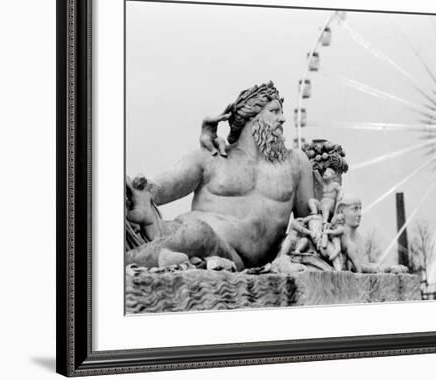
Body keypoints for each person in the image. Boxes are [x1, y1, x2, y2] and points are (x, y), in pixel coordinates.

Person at [126, 82, 314, 270]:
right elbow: (158, 189)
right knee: (196, 232)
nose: (282, 119)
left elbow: (309, 223)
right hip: (190, 240)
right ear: (250, 116)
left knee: (198, 233)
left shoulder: (295, 163)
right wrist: (141, 194)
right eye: (274, 111)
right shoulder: (211, 156)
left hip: (239, 260)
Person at [330, 194, 364, 273]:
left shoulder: (359, 240)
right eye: (355, 209)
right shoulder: (337, 234)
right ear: (341, 211)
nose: (360, 214)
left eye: (360, 209)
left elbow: (363, 264)